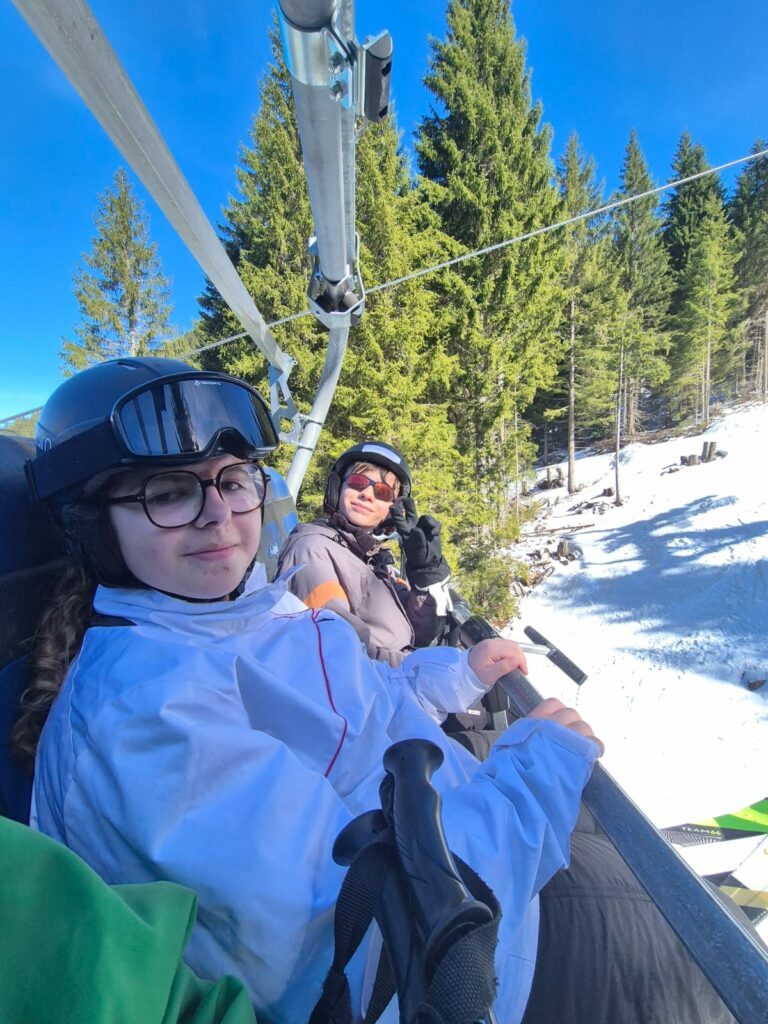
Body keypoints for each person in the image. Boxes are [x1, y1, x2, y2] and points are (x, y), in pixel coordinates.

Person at [16, 357, 603, 1024]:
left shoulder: (251, 610)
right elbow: (360, 929)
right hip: (474, 963)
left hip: (488, 863)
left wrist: (456, 675)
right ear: (92, 525)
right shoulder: (142, 717)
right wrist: (531, 786)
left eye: (232, 481)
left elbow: (360, 701)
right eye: (170, 492)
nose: (219, 515)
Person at [277, 442, 450, 666]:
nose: (367, 494)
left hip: (395, 677)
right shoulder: (313, 551)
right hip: (376, 681)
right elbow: (339, 651)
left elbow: (421, 633)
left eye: (382, 492)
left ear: (392, 509)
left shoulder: (373, 558)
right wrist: (419, 666)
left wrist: (426, 575)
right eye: (357, 483)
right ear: (337, 488)